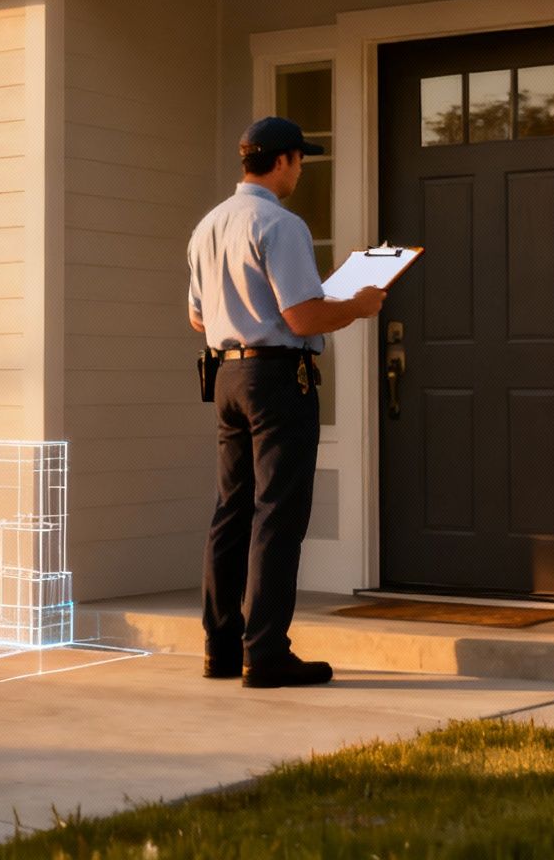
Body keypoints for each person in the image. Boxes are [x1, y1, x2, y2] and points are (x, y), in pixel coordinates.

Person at [187, 116, 385, 688]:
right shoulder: (280, 223)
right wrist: (359, 304)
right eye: (300, 160)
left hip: (225, 377)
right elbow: (302, 316)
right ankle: (266, 651)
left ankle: (221, 648)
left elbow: (197, 316)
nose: (300, 170)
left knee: (232, 511)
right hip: (276, 380)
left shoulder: (209, 225)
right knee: (278, 513)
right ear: (282, 161)